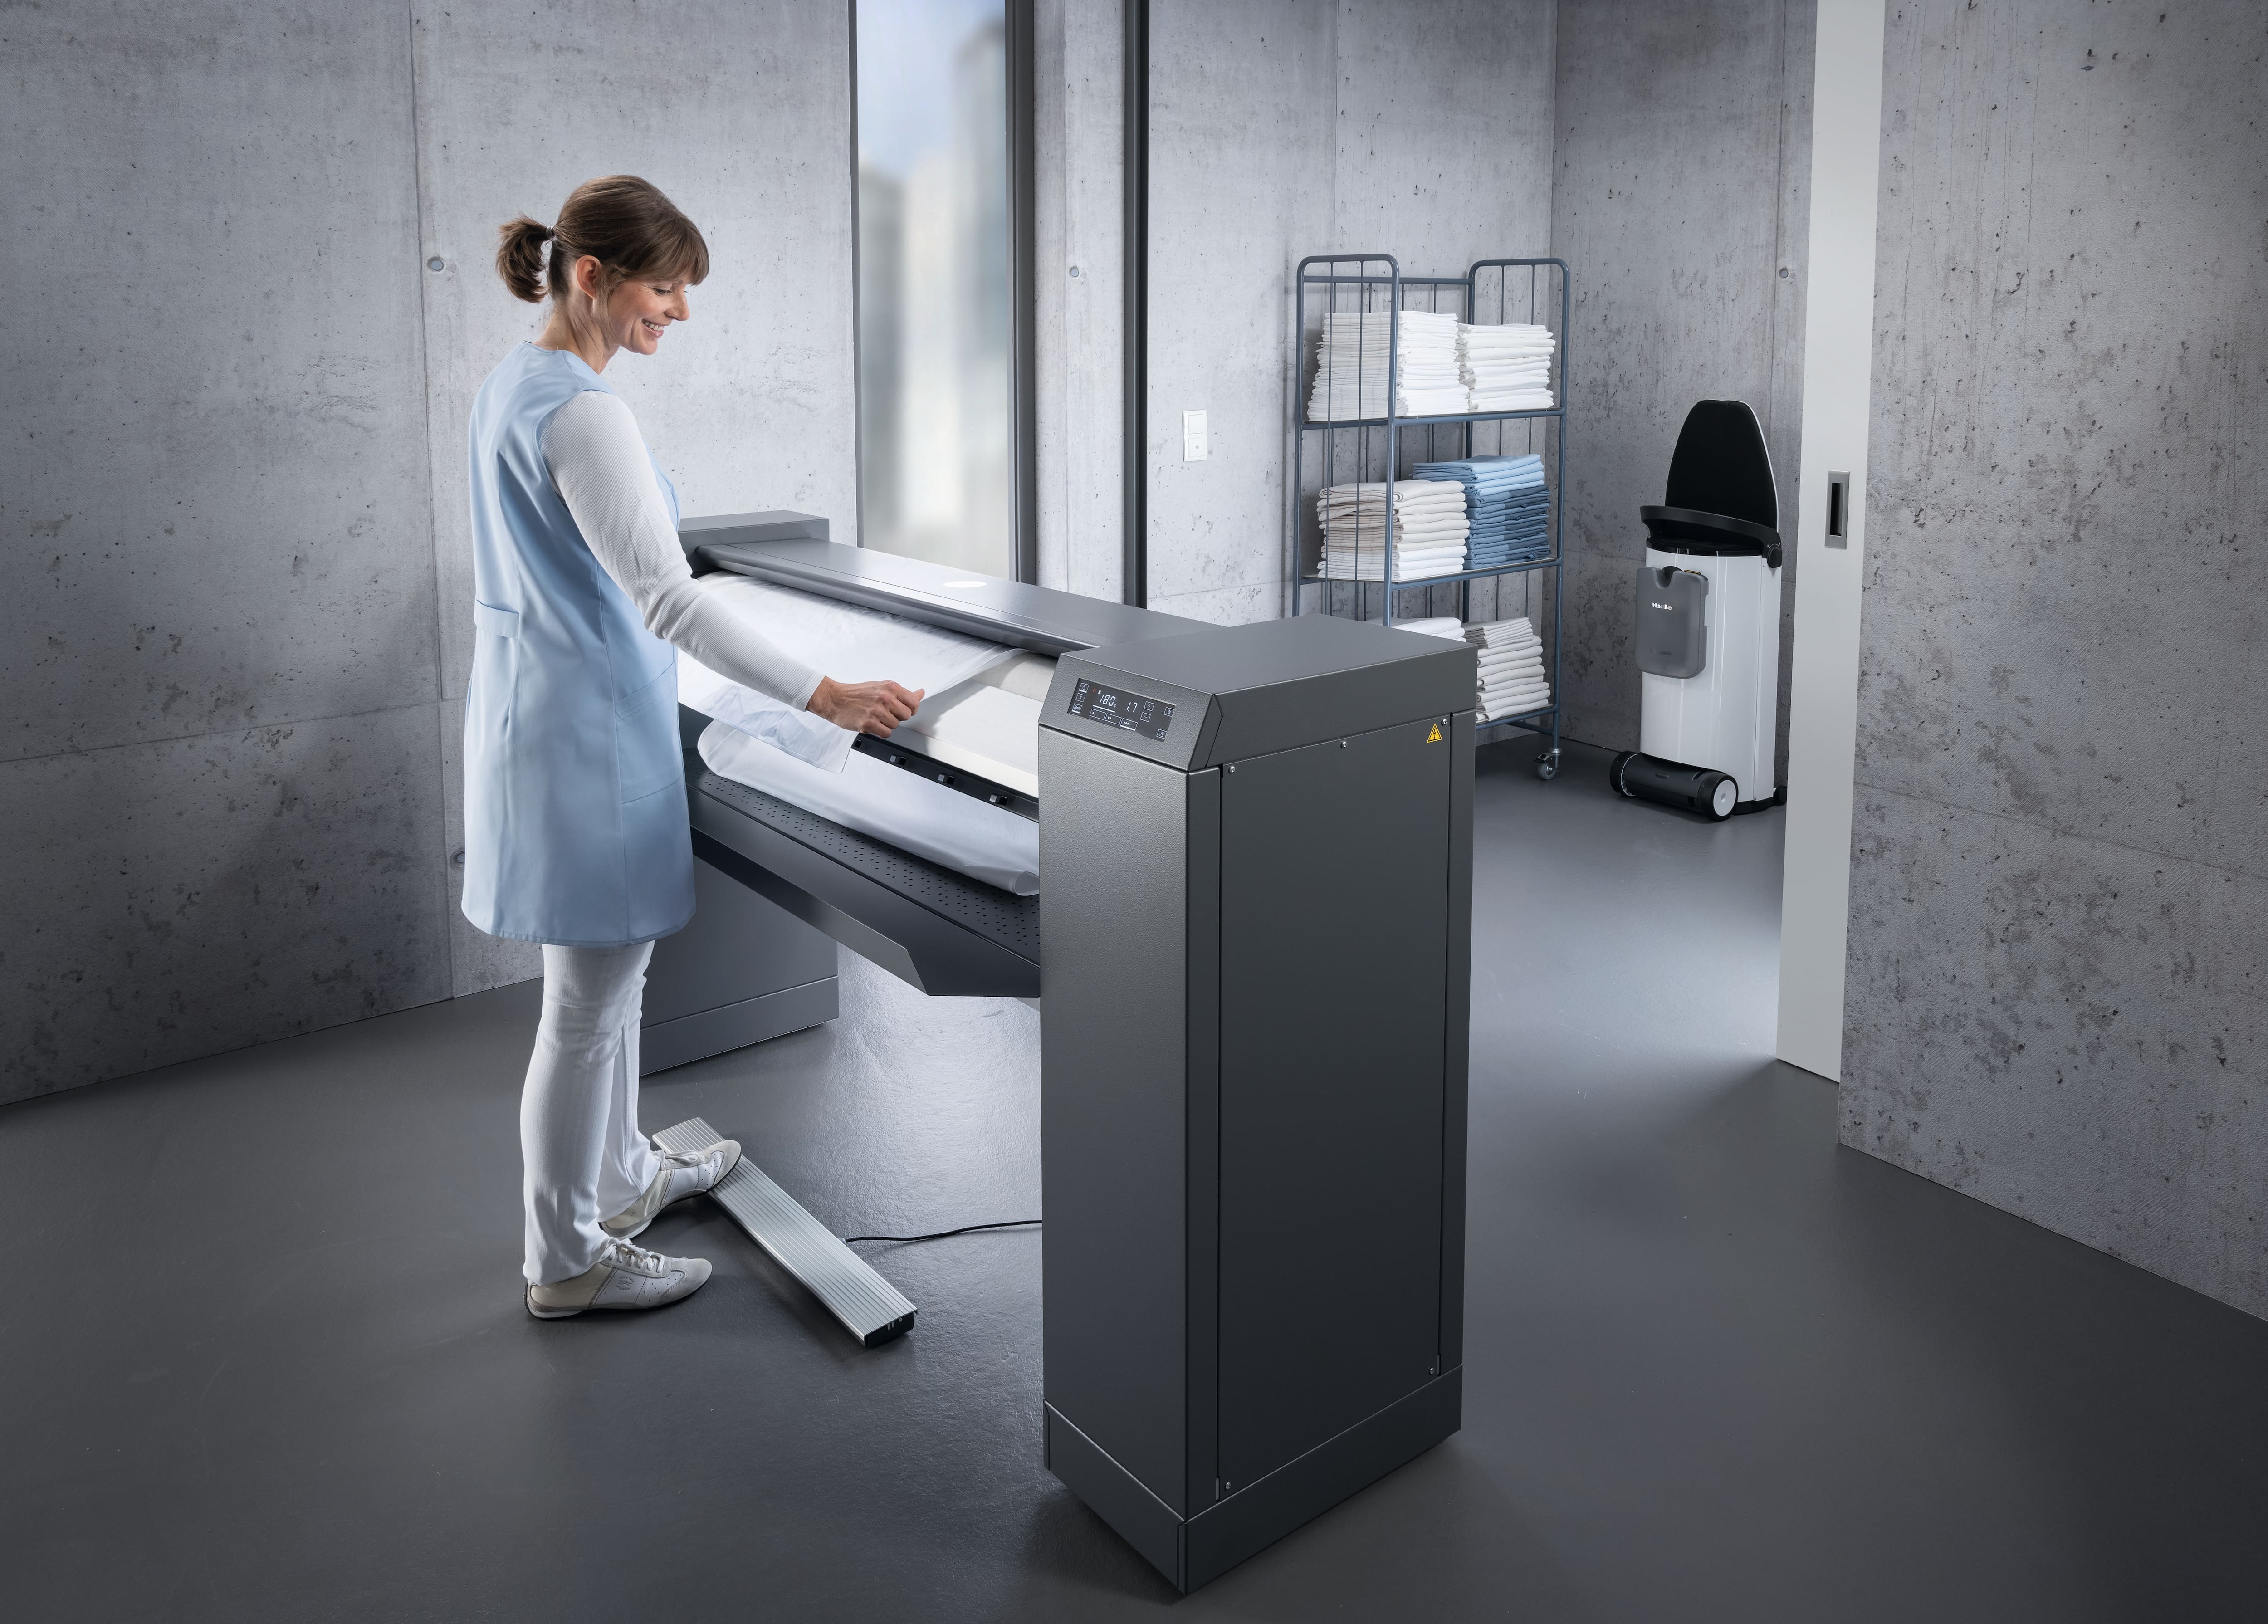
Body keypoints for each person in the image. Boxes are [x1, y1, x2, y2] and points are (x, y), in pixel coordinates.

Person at [464, 175, 923, 1320]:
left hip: (553, 718)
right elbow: (666, 599)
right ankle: (566, 1258)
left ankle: (620, 1182)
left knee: (607, 995)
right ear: (592, 277)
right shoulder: (583, 409)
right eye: (664, 287)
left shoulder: (514, 386)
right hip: (589, 741)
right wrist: (826, 692)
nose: (679, 310)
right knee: (583, 1009)